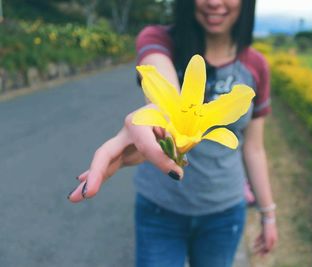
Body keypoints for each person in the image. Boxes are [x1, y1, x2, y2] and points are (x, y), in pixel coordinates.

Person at [68, 0, 278, 266]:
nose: (214, 2)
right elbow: (158, 76)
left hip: (224, 213)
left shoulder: (256, 65)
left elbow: (254, 148)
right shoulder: (159, 39)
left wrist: (268, 213)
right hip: (160, 209)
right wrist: (164, 117)